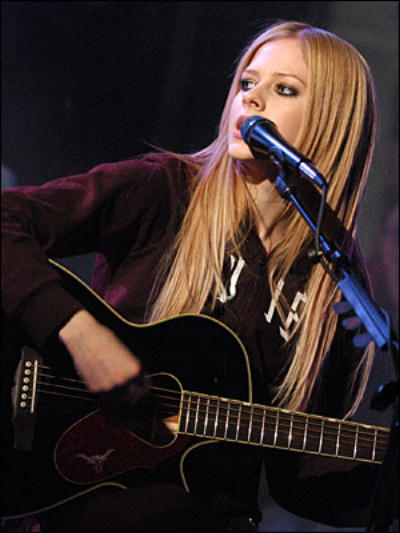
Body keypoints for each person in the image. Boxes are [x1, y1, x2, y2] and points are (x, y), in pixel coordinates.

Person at [2, 20, 384, 532]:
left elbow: (299, 474)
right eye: (247, 84)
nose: (251, 100)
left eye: (284, 89)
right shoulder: (163, 191)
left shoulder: (334, 277)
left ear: (332, 123)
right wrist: (78, 332)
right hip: (93, 497)